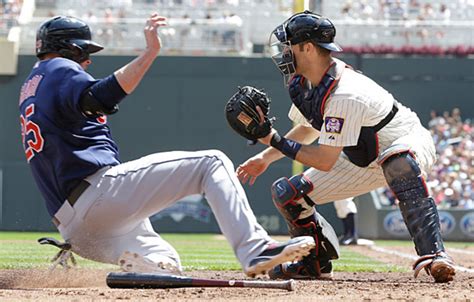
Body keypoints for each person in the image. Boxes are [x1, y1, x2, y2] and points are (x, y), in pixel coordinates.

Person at [18, 14, 315, 277]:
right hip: (96, 196)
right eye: (85, 52)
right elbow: (100, 97)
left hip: (79, 231)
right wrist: (149, 53)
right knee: (210, 163)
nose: (88, 60)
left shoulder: (33, 85)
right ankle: (254, 249)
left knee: (165, 263)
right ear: (70, 48)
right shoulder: (58, 67)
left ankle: (141, 270)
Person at [236, 10, 455, 283]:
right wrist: (266, 157)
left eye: (288, 44)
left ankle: (435, 256)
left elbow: (325, 160)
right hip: (362, 157)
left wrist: (274, 139)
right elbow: (306, 129)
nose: (284, 51)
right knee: (288, 194)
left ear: (307, 47)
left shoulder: (345, 93)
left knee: (398, 161)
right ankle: (313, 262)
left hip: (405, 142)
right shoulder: (305, 84)